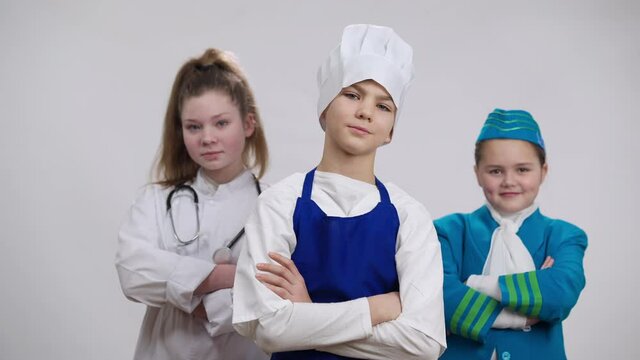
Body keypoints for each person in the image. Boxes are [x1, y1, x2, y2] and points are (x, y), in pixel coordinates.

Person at [231, 24, 446, 360]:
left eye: (383, 106)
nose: (365, 112)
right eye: (352, 95)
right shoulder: (279, 203)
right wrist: (376, 309)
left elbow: (423, 342)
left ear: (391, 131)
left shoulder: (410, 216)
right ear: (324, 107)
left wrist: (306, 314)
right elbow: (266, 326)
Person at [115, 48, 269, 360]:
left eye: (221, 123)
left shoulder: (275, 206)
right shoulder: (155, 200)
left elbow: (271, 300)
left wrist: (189, 295)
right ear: (181, 131)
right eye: (194, 127)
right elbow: (132, 272)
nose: (207, 138)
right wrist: (224, 276)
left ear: (248, 124)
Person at [434, 109, 588, 359]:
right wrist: (526, 307)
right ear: (477, 174)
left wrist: (475, 284)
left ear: (543, 171)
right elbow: (437, 297)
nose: (509, 181)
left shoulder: (564, 236)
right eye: (495, 171)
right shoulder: (448, 231)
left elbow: (560, 293)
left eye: (523, 170)